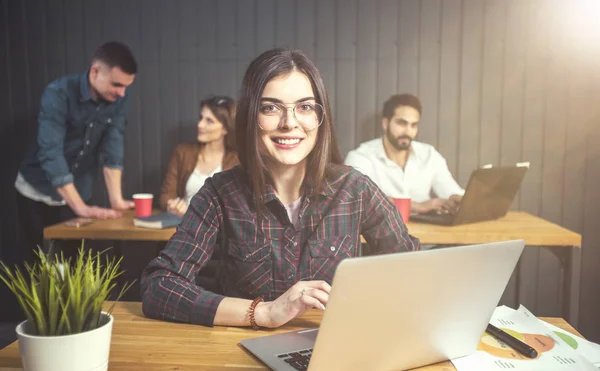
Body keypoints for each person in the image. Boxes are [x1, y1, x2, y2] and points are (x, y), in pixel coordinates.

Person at [140, 48, 420, 329]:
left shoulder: (355, 189)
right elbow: (159, 286)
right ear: (251, 117)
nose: (289, 123)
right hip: (238, 355)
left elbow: (415, 270)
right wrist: (264, 312)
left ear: (320, 119)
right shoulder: (219, 194)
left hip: (330, 349)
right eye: (270, 108)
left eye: (305, 107)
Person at [15, 41, 137, 257]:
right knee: (44, 270)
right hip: (37, 191)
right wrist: (80, 208)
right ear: (95, 71)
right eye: (117, 84)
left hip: (79, 191)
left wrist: (116, 200)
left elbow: (113, 148)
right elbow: (50, 153)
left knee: (75, 267)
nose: (121, 93)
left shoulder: (118, 99)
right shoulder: (58, 93)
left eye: (126, 86)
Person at [344, 94, 464, 215]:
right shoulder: (361, 156)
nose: (408, 131)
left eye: (414, 125)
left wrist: (458, 199)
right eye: (402, 123)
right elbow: (357, 197)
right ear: (385, 123)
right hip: (380, 232)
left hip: (427, 231)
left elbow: (451, 191)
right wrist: (419, 206)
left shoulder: (429, 154)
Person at [159, 96, 239, 216]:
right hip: (185, 225)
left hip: (220, 230)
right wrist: (172, 205)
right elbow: (166, 195)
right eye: (201, 118)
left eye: (209, 121)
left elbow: (239, 205)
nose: (200, 125)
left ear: (225, 129)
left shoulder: (237, 160)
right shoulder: (183, 152)